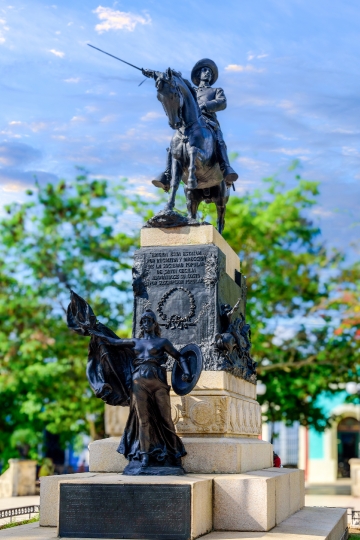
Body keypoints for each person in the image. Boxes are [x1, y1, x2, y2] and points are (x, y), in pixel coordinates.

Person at [93, 309, 193, 471]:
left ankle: (175, 452)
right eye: (143, 321)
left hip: (158, 382)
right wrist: (96, 330)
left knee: (166, 418)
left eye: (148, 320)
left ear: (154, 324)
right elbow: (112, 342)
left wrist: (187, 372)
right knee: (143, 420)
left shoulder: (162, 342)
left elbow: (180, 356)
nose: (145, 323)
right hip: (138, 382)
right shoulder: (135, 342)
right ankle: (144, 455)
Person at [142, 58, 238, 192]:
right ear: (198, 74)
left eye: (210, 71)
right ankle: (168, 174)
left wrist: (204, 106)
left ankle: (225, 168)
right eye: (205, 70)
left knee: (219, 141)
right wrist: (152, 73)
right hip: (188, 124)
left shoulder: (216, 90)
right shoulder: (191, 90)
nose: (207, 73)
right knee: (174, 143)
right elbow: (172, 80)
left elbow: (222, 102)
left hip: (208, 122)